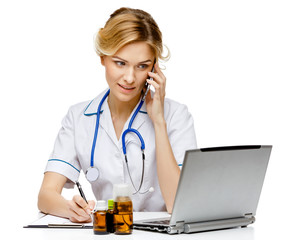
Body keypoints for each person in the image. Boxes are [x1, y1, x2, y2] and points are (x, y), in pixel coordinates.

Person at [38, 7, 197, 223]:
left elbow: (178, 203)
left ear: (155, 68)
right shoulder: (79, 118)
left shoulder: (176, 116)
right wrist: (70, 209)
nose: (130, 78)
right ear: (103, 57)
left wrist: (158, 122)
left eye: (142, 66)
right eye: (120, 63)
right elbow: (45, 196)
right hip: (109, 232)